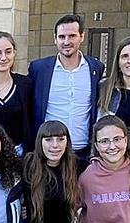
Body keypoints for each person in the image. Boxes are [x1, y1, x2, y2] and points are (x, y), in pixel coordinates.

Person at [28, 14, 105, 170]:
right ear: (55, 38)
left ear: (82, 36)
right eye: (61, 36)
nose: (66, 41)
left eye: (72, 36)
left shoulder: (95, 68)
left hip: (83, 154)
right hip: (49, 154)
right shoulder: (39, 69)